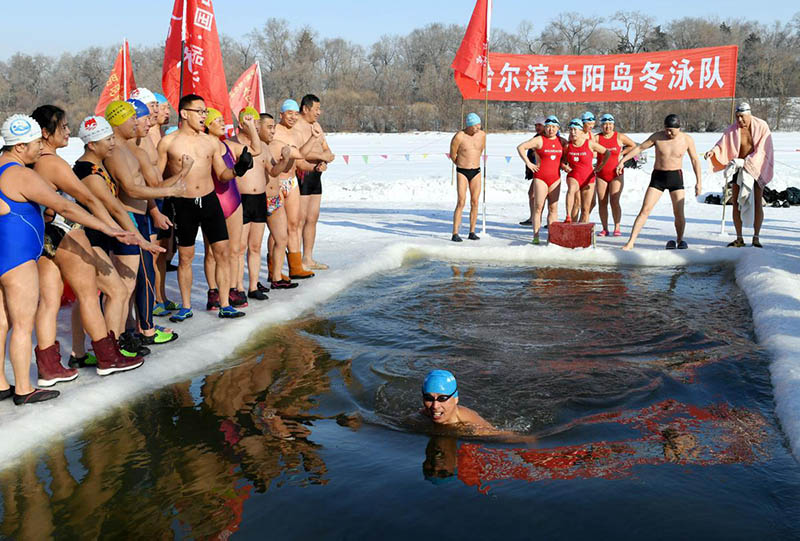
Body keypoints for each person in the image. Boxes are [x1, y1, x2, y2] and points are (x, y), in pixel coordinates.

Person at [0, 114, 134, 404]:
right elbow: (67, 206)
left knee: (8, 320)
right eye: (36, 143)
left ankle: (11, 379)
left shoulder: (5, 167)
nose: (40, 149)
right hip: (21, 256)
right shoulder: (23, 172)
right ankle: (25, 387)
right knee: (27, 323)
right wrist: (107, 227)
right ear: (21, 146)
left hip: (13, 252)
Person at [30, 105, 146, 385]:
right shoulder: (53, 163)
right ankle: (107, 357)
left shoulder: (31, 162)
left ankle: (48, 368)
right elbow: (89, 199)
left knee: (49, 302)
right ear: (46, 133)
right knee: (88, 295)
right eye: (64, 127)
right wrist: (111, 229)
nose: (69, 131)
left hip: (40, 235)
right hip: (63, 232)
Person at [70, 115, 164, 368]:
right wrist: (137, 238)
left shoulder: (98, 166)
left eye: (112, 137)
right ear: (91, 145)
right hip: (88, 237)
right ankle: (111, 352)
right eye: (107, 139)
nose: (112, 143)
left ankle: (79, 353)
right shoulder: (87, 172)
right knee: (117, 291)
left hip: (97, 236)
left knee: (87, 296)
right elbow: (110, 208)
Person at [157, 94, 254, 320]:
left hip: (210, 201)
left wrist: (239, 169)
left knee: (223, 253)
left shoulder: (211, 141)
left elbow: (222, 174)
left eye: (204, 111)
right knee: (186, 257)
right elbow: (156, 180)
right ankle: (186, 306)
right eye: (199, 111)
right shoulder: (168, 143)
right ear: (184, 113)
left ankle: (224, 303)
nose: (203, 116)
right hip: (183, 204)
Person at [103, 101, 183, 347]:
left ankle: (132, 330)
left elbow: (152, 186)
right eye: (142, 118)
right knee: (130, 282)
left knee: (138, 278)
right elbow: (130, 188)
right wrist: (171, 189)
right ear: (127, 120)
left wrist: (157, 205)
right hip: (127, 220)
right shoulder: (115, 151)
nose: (149, 122)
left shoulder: (134, 150)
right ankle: (126, 335)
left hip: (139, 218)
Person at [618, 114, 702, 250]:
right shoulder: (657, 136)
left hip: (675, 177)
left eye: (671, 131)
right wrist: (622, 161)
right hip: (658, 177)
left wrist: (699, 182)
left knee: (679, 212)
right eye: (666, 130)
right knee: (645, 210)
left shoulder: (687, 139)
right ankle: (631, 242)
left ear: (679, 128)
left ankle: (680, 240)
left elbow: (695, 160)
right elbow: (640, 148)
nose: (668, 133)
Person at [209, 106, 265, 304]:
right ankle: (214, 291)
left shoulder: (228, 146)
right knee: (212, 253)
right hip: (215, 201)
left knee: (234, 249)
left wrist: (251, 127)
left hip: (233, 201)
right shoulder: (212, 145)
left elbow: (257, 150)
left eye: (224, 121)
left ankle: (233, 288)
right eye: (219, 121)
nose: (224, 124)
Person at [704, 102, 774, 248]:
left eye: (742, 117)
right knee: (735, 202)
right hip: (738, 169)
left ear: (749, 114)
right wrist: (714, 151)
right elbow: (722, 144)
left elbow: (763, 150)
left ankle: (756, 238)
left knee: (757, 202)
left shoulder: (762, 126)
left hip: (756, 167)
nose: (739, 120)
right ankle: (739, 238)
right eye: (737, 117)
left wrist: (746, 162)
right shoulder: (732, 129)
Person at [272, 99, 325, 279]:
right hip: (276, 182)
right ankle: (275, 270)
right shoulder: (274, 131)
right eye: (289, 114)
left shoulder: (296, 134)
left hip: (292, 182)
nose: (293, 117)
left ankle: (295, 267)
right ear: (281, 115)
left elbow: (300, 160)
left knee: (294, 224)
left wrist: (315, 168)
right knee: (277, 228)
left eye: (295, 114)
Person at [295, 94, 336, 270]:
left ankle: (308, 258)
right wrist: (321, 156)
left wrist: (325, 159)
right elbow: (300, 153)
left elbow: (327, 150)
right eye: (316, 109)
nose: (319, 112)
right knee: (300, 220)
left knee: (312, 218)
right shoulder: (297, 125)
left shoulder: (317, 126)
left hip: (316, 176)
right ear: (305, 108)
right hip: (302, 173)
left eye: (320, 109)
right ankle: (295, 261)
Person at [261, 114, 298, 289]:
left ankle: (276, 277)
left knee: (282, 238)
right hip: (258, 199)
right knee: (250, 246)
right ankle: (245, 286)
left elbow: (275, 172)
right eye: (269, 127)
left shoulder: (272, 146)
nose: (273, 131)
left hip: (274, 199)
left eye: (273, 127)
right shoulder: (256, 148)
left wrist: (284, 160)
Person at [517, 115, 563, 245]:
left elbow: (572, 150)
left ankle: (551, 238)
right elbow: (520, 147)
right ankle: (536, 236)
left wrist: (565, 164)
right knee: (538, 208)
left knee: (553, 208)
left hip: (555, 179)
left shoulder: (562, 141)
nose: (550, 129)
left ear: (558, 128)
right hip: (540, 178)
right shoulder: (539, 140)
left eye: (553, 127)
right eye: (548, 127)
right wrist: (529, 164)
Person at [594, 114, 637, 237]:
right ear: (601, 125)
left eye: (610, 124)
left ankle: (617, 227)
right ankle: (605, 228)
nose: (607, 127)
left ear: (613, 125)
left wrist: (621, 153)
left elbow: (633, 146)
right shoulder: (597, 138)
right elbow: (588, 147)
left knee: (614, 200)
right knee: (602, 201)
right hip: (601, 173)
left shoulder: (619, 137)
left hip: (616, 173)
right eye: (605, 124)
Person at [562, 118, 609, 223]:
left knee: (585, 209)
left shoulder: (589, 144)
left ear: (581, 131)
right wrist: (564, 166)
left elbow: (607, 152)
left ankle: (582, 233)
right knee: (573, 196)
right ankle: (568, 218)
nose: (573, 132)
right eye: (571, 130)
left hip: (588, 177)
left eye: (575, 130)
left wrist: (600, 166)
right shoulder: (567, 146)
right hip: (574, 176)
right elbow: (562, 160)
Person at [449, 113, 486, 242]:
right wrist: (461, 164)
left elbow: (480, 150)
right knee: (461, 201)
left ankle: (472, 231)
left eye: (479, 125)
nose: (478, 128)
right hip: (462, 171)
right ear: (469, 125)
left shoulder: (482, 135)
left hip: (476, 171)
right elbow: (453, 154)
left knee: (475, 201)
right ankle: (455, 232)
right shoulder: (459, 136)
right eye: (475, 126)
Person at [420, 370, 492, 428]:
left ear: (456, 399)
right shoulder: (423, 414)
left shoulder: (470, 424)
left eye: (442, 398)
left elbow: (500, 436)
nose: (435, 406)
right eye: (429, 398)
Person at [519, 116, 545, 226]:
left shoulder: (548, 138)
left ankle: (539, 218)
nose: (537, 127)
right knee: (532, 194)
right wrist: (529, 166)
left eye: (540, 125)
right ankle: (533, 217)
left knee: (537, 195)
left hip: (545, 171)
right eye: (536, 125)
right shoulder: (536, 137)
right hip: (536, 171)